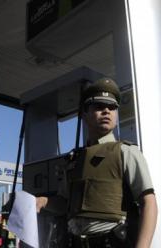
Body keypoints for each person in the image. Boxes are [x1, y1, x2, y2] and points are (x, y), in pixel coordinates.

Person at [36, 78, 158, 247]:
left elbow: (148, 201)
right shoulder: (74, 160)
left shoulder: (126, 152)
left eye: (112, 107)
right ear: (85, 114)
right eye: (99, 106)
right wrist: (42, 201)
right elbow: (65, 203)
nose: (106, 111)